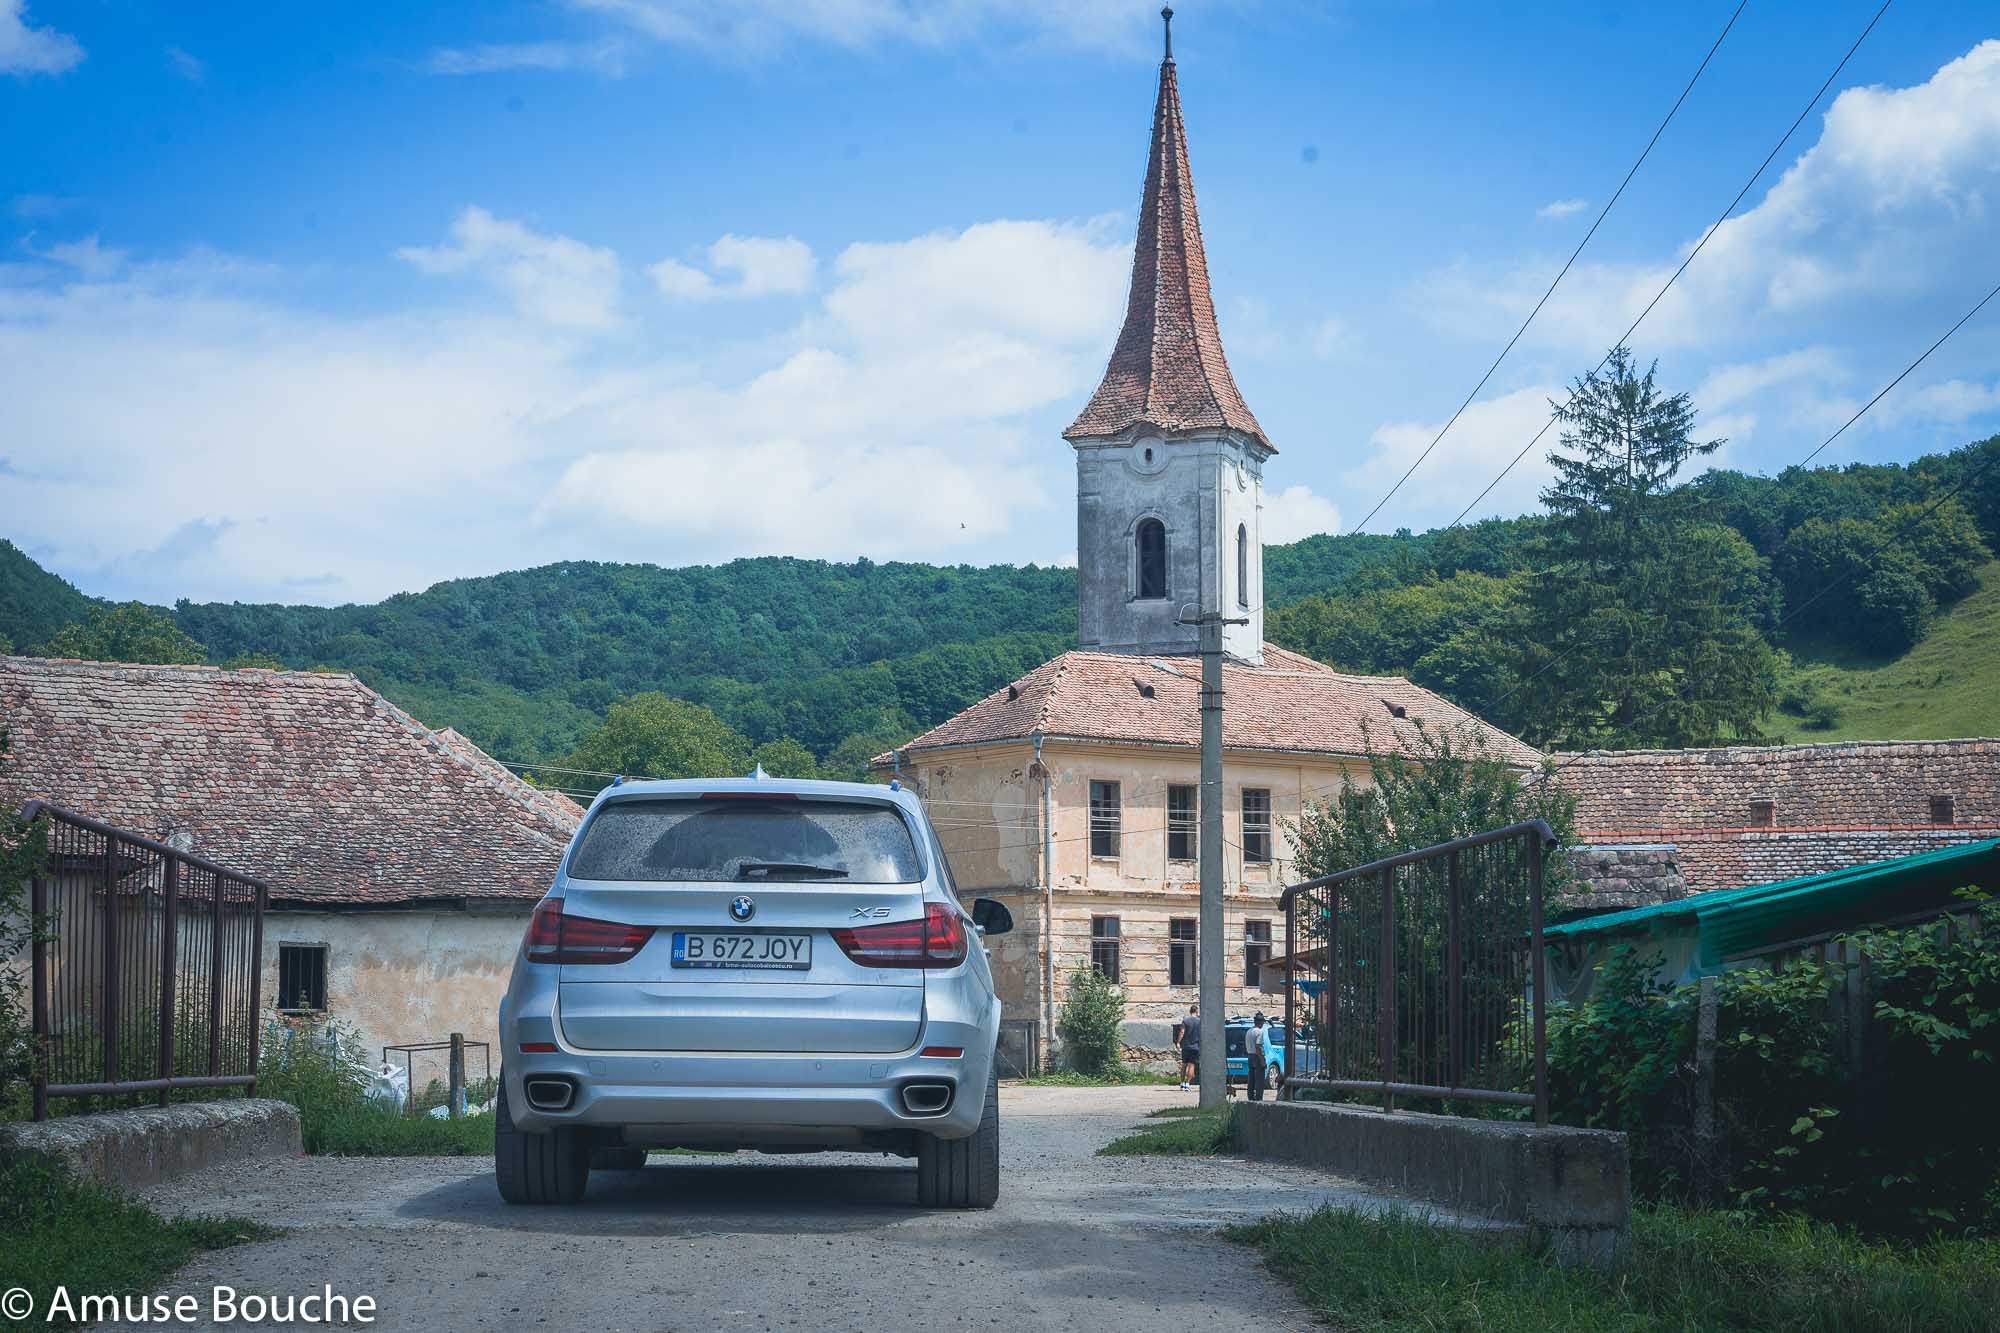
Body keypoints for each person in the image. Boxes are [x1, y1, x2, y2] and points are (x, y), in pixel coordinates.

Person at [1245, 1012, 1271, 1101]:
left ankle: (1250, 1097)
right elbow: (1258, 1047)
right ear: (1261, 1022)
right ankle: (1259, 1098)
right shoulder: (1259, 1032)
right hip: (1257, 1056)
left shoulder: (1249, 1031)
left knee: (1251, 1078)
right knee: (1259, 1079)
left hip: (1250, 1056)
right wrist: (1262, 1061)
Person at [1174, 1004, 1200, 1090]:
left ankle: (1181, 1083)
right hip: (1195, 1046)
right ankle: (1187, 1084)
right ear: (1196, 1011)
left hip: (1185, 1046)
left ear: (1190, 1011)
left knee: (1184, 1065)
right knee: (1191, 1065)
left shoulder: (1185, 1020)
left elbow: (1182, 1032)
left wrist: (1178, 1042)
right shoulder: (1199, 1021)